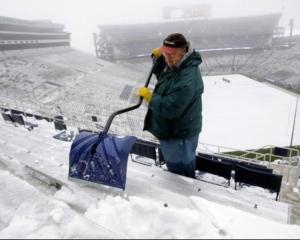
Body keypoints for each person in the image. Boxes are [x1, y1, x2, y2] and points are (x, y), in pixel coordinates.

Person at [137, 33, 204, 178]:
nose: (167, 58)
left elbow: (170, 108)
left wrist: (150, 97)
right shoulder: (177, 64)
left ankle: (185, 196)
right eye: (165, 53)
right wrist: (159, 59)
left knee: (181, 174)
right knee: (176, 168)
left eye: (171, 54)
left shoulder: (187, 78)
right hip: (173, 132)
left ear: (183, 51)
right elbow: (165, 77)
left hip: (179, 135)